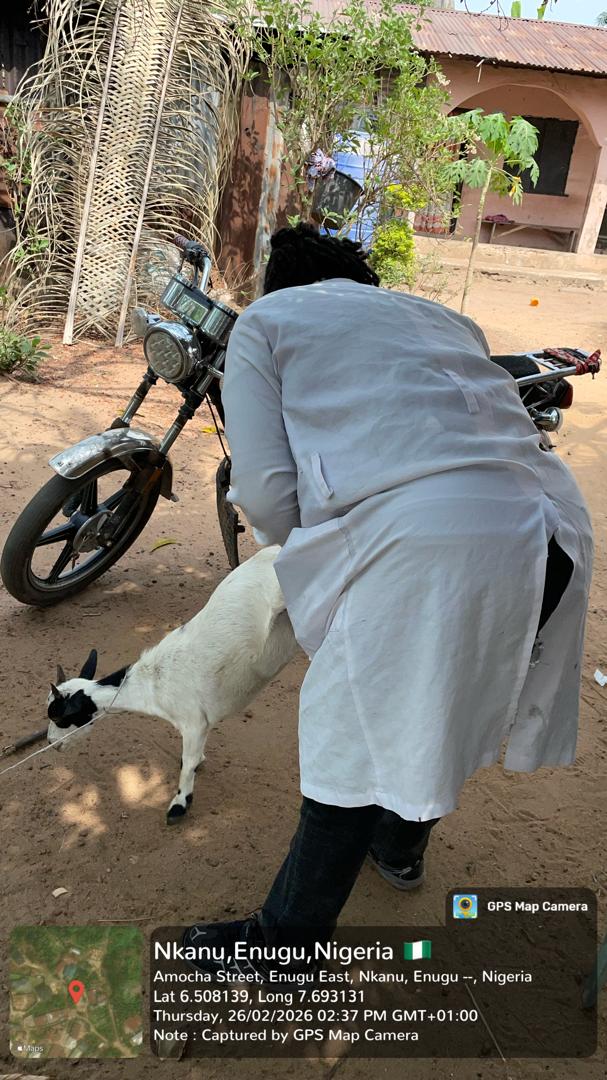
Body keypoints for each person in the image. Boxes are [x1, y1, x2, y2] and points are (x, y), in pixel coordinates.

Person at [183, 223, 593, 975]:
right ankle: (399, 847)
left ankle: (287, 946)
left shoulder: (267, 321)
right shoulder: (444, 318)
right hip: (549, 526)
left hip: (429, 546)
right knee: (449, 693)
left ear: (278, 283)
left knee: (358, 736)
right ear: (365, 281)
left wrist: (321, 558)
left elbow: (265, 491)